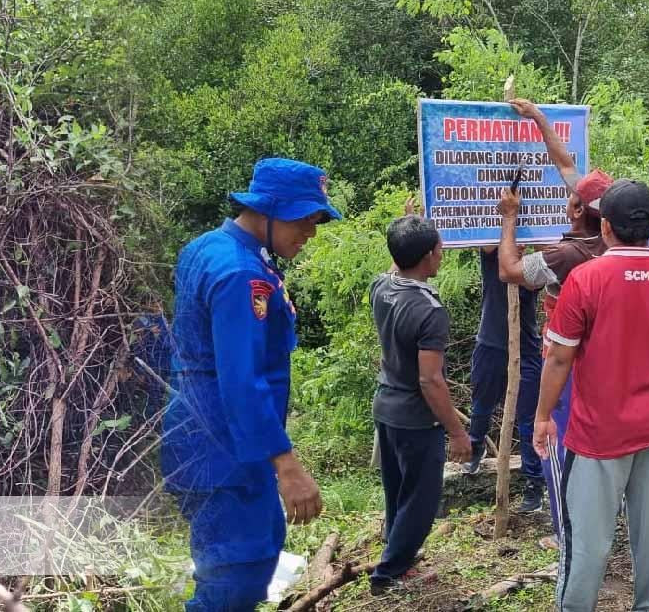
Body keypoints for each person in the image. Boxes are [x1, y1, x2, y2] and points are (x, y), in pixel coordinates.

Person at [161, 158, 339, 611]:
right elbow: (242, 379)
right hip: (223, 448)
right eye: (304, 219)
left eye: (316, 221)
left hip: (211, 437)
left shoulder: (208, 247)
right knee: (235, 578)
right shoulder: (243, 274)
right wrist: (288, 465)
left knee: (242, 564)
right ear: (269, 210)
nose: (310, 233)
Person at [534, 179, 649, 612]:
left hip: (597, 435)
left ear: (604, 226)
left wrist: (542, 415)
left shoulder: (586, 280)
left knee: (587, 539)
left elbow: (558, 361)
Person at [495, 98, 613, 544]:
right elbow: (567, 164)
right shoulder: (612, 232)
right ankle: (600, 518)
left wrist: (509, 220)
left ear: (581, 210)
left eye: (572, 198)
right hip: (604, 355)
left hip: (568, 357)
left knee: (560, 443)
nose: (568, 195)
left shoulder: (568, 254)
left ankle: (569, 534)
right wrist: (540, 120)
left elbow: (511, 272)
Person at [368, 210, 470, 594]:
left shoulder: (382, 287)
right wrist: (456, 432)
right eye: (440, 248)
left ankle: (400, 560)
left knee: (398, 492)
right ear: (429, 255)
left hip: (386, 408)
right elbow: (431, 380)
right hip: (415, 418)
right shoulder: (430, 310)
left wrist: (406, 229)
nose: (443, 254)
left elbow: (398, 263)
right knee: (422, 500)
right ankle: (389, 573)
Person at [466, 247, 543, 512]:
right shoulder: (492, 260)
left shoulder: (532, 267)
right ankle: (475, 446)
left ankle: (534, 485)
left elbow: (542, 275)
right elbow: (487, 245)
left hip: (526, 351)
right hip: (491, 344)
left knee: (528, 421)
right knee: (481, 406)